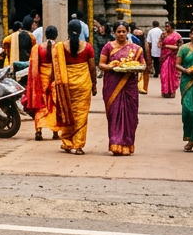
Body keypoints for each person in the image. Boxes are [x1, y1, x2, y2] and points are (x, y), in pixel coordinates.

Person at [98, 20, 145, 155]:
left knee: (130, 115)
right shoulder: (108, 46)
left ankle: (127, 144)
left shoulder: (136, 48)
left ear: (128, 32)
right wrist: (111, 66)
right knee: (114, 114)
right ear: (114, 33)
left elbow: (143, 65)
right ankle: (115, 144)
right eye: (118, 31)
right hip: (112, 84)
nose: (121, 34)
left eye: (124, 31)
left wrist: (135, 67)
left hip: (129, 85)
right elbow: (101, 64)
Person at [53, 20, 98, 154]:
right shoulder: (87, 47)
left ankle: (67, 142)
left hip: (66, 85)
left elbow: (55, 68)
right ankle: (78, 145)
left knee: (67, 112)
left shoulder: (60, 47)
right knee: (81, 114)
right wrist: (94, 85)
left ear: (68, 31)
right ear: (80, 32)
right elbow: (92, 68)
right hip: (83, 85)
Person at [20, 25, 61, 140]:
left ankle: (38, 131)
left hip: (41, 80)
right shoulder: (58, 47)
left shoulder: (37, 48)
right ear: (56, 35)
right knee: (54, 104)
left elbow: (33, 66)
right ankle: (55, 132)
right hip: (54, 79)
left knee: (40, 104)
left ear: (45, 35)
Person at [160, 23, 182, 98]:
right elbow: (160, 44)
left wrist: (169, 46)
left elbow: (180, 47)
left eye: (167, 26)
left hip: (173, 57)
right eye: (165, 26)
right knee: (164, 74)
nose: (166, 28)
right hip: (164, 57)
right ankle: (165, 92)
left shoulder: (177, 36)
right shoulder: (163, 35)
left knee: (172, 75)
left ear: (172, 27)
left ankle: (172, 92)